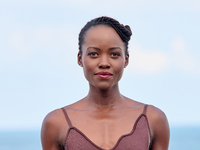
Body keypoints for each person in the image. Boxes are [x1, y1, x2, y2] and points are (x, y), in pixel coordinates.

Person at [41, 16, 170, 150]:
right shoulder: (56, 123)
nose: (104, 63)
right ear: (80, 59)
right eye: (93, 54)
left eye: (114, 54)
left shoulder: (152, 120)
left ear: (126, 60)